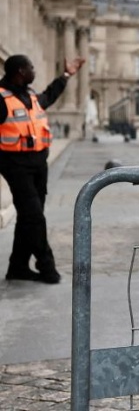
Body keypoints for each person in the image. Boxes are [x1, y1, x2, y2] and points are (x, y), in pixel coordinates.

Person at [1, 55, 85, 284]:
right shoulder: (1, 98)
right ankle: (46, 266)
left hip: (38, 164)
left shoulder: (30, 95)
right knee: (35, 217)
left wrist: (67, 75)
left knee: (29, 218)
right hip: (15, 165)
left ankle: (17, 266)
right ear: (20, 71)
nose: (34, 70)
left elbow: (50, 95)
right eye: (31, 67)